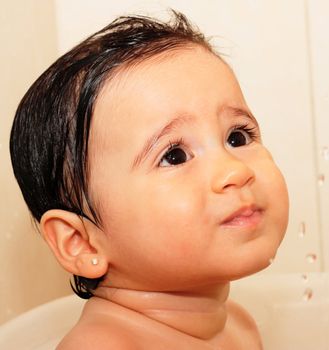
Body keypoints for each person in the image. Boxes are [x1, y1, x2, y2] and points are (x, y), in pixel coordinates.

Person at [9, 10, 289, 349]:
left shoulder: (240, 327)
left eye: (237, 137)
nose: (235, 171)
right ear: (81, 242)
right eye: (174, 155)